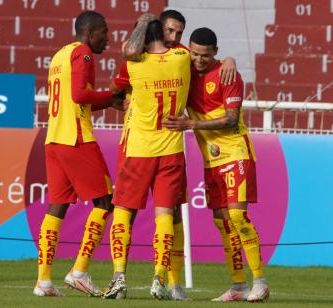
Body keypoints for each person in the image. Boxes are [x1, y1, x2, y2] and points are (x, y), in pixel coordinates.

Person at [119, 10, 239, 300]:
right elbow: (117, 91)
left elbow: (206, 59)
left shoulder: (182, 56)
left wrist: (230, 61)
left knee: (172, 214)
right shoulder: (140, 60)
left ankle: (171, 283)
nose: (175, 38)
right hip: (136, 144)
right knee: (130, 213)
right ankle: (121, 276)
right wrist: (126, 102)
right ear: (160, 31)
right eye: (170, 32)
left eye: (179, 33)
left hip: (170, 146)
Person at [164, 27, 269, 303]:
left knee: (238, 217)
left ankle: (260, 281)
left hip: (236, 153)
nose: (199, 60)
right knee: (222, 223)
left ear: (216, 53)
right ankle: (238, 285)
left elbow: (231, 119)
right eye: (195, 54)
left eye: (205, 56)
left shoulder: (228, 74)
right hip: (211, 159)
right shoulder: (184, 65)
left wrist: (191, 124)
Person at [101, 19, 191, 301]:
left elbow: (128, 50)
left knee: (124, 212)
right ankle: (158, 279)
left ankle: (119, 277)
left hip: (139, 148)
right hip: (171, 148)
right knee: (164, 214)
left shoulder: (134, 64)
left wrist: (141, 22)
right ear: (164, 35)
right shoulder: (182, 57)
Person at [33, 10, 120, 297]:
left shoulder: (59, 55)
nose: (108, 37)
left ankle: (43, 280)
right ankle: (79, 271)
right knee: (106, 202)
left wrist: (108, 103)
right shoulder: (83, 53)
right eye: (104, 31)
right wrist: (112, 96)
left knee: (57, 206)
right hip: (76, 138)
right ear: (90, 32)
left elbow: (75, 99)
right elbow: (80, 96)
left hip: (54, 139)